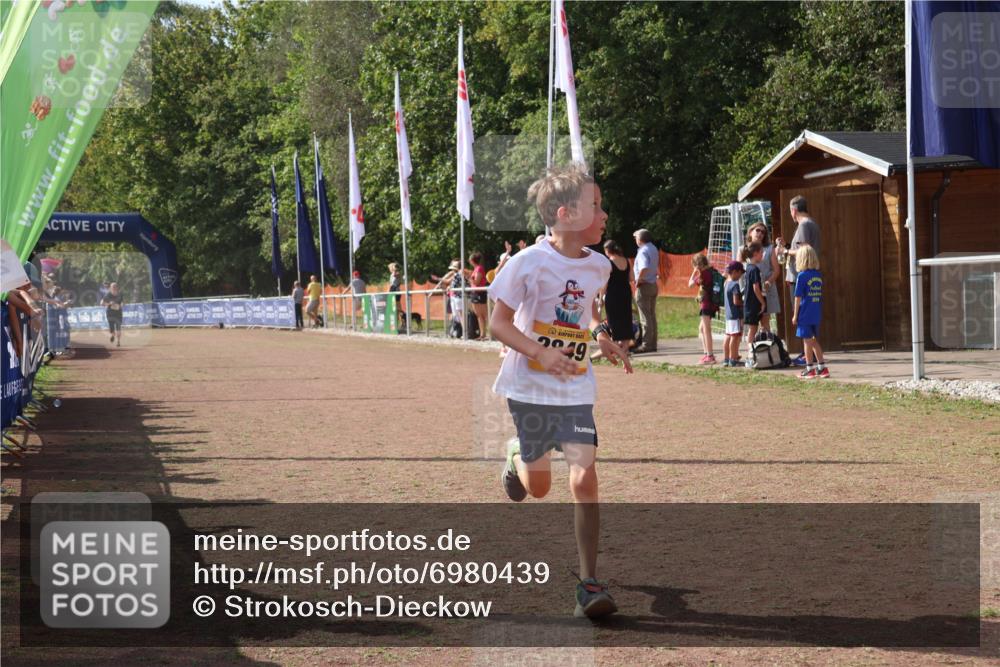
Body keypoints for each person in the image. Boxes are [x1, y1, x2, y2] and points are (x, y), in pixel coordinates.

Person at [490, 165, 632, 619]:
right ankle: (517, 454)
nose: (605, 214)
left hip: (574, 387)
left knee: (584, 477)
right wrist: (540, 352)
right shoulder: (526, 263)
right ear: (567, 214)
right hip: (529, 387)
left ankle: (588, 583)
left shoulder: (598, 265)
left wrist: (601, 335)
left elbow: (584, 311)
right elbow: (497, 322)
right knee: (539, 487)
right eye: (596, 206)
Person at [777, 195, 821, 365]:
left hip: (799, 276)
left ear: (794, 210)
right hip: (804, 274)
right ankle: (810, 354)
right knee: (807, 315)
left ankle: (806, 354)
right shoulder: (811, 224)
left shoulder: (804, 225)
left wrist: (784, 251)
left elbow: (803, 250)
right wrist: (788, 246)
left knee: (802, 316)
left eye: (790, 211)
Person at [793, 245, 828, 379]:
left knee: (807, 342)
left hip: (805, 313)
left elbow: (798, 297)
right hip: (816, 312)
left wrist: (795, 315)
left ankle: (809, 369)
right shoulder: (817, 275)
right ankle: (822, 367)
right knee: (813, 340)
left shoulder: (802, 276)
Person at [745, 222, 781, 333]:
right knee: (752, 326)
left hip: (766, 290)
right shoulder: (744, 249)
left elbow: (776, 270)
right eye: (758, 230)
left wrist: (768, 283)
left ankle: (765, 349)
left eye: (763, 232)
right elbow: (737, 269)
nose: (760, 233)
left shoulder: (769, 248)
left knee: (765, 323)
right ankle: (752, 349)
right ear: (751, 231)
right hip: (751, 290)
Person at [599, 240, 634, 354]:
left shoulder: (608, 263)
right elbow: (631, 278)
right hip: (625, 293)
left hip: (613, 294)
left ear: (608, 250)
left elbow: (604, 283)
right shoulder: (627, 260)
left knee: (613, 319)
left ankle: (616, 346)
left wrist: (600, 298)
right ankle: (625, 347)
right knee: (626, 318)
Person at [632, 228, 659, 353]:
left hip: (644, 284)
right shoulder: (653, 248)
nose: (635, 239)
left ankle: (646, 344)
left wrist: (639, 280)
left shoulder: (643, 251)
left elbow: (643, 267)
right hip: (653, 283)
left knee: (645, 317)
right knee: (651, 315)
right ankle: (653, 343)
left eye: (636, 237)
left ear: (640, 239)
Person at [687, 253, 717, 364]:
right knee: (701, 329)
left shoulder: (703, 275)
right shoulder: (711, 271)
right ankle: (706, 353)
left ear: (697, 265)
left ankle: (710, 356)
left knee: (706, 329)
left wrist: (694, 272)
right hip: (712, 304)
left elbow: (690, 284)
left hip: (706, 304)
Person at [742, 243, 766, 368]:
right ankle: (750, 355)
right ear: (756, 254)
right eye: (761, 252)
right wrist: (762, 302)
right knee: (752, 330)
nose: (762, 255)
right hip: (752, 304)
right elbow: (756, 288)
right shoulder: (754, 269)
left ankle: (753, 354)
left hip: (750, 304)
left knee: (755, 329)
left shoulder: (749, 268)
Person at [723, 260, 744, 367]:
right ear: (735, 272)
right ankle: (733, 358)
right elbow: (736, 301)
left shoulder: (726, 283)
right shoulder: (735, 285)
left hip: (728, 315)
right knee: (734, 337)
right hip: (735, 315)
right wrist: (743, 302)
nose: (740, 276)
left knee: (728, 336)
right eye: (740, 273)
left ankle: (726, 358)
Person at [468, 252, 489, 340]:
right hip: (475, 293)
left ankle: (493, 334)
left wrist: (469, 278)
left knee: (485, 315)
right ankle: (482, 334)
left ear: (472, 260)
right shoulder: (476, 269)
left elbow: (476, 282)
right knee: (479, 315)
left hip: (480, 293)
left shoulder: (479, 268)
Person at [101, 282, 124, 347]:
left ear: (117, 287)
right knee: (112, 329)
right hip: (110, 313)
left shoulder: (120, 294)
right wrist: (109, 304)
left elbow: (122, 302)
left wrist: (122, 304)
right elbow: (102, 303)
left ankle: (118, 342)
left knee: (118, 328)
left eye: (115, 287)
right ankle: (113, 335)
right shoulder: (107, 295)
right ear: (110, 288)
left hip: (118, 313)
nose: (114, 288)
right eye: (113, 287)